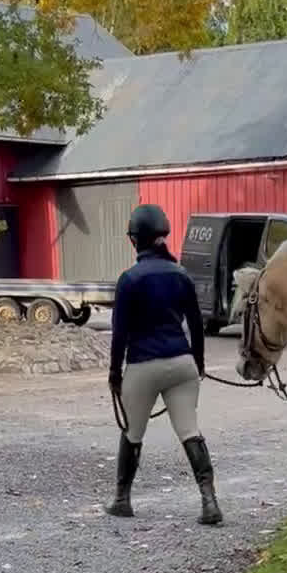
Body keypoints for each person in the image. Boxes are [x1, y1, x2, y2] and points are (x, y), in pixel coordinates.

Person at [106, 203, 223, 525]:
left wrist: (115, 373)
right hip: (181, 362)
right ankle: (209, 501)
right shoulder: (181, 274)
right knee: (190, 431)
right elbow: (197, 324)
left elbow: (120, 334)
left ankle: (121, 499)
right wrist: (197, 362)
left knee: (132, 432)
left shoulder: (129, 279)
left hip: (144, 366)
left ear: (135, 239)